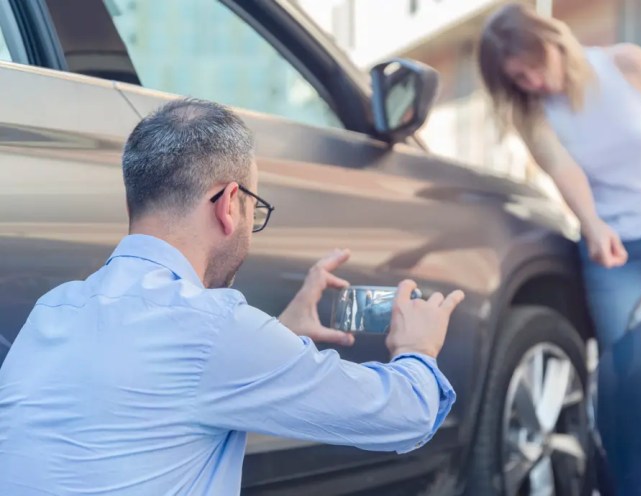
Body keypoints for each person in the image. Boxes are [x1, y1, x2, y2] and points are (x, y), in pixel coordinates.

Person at [0, 98, 465, 495]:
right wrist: (416, 349)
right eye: (253, 209)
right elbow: (403, 415)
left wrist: (278, 335)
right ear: (228, 204)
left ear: (131, 204)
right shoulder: (214, 329)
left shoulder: (55, 309)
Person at [477, 3, 641, 348]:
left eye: (536, 66)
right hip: (614, 248)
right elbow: (564, 171)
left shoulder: (626, 63)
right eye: (520, 78)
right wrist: (592, 224)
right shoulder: (531, 115)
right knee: (622, 357)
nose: (534, 81)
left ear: (554, 40)